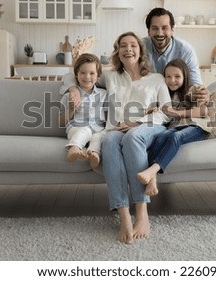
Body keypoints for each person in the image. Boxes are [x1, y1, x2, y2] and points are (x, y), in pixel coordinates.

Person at [60, 32, 171, 244]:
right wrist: (73, 88)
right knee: (108, 141)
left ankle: (141, 213)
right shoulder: (110, 76)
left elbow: (166, 111)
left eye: (133, 45)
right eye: (123, 46)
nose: (128, 49)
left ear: (140, 51)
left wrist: (136, 123)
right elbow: (77, 73)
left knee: (132, 138)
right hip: (115, 131)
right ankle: (123, 217)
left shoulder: (156, 79)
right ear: (117, 52)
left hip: (147, 128)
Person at [137, 58, 209, 196]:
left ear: (185, 76)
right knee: (161, 137)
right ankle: (152, 178)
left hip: (196, 126)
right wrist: (154, 110)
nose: (172, 80)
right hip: (175, 126)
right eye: (168, 76)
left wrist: (178, 113)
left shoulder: (192, 90)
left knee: (176, 137)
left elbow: (204, 112)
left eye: (177, 76)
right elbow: (165, 111)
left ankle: (152, 172)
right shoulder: (166, 93)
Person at [143, 7, 209, 102]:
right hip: (149, 98)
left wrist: (201, 93)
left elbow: (195, 83)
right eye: (155, 28)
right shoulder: (139, 48)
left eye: (165, 28)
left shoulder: (186, 50)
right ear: (148, 31)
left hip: (177, 98)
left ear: (172, 30)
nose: (160, 33)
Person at [59, 53, 107, 169]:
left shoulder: (104, 94)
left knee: (98, 136)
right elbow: (61, 123)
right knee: (86, 130)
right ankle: (74, 147)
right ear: (76, 75)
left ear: (98, 76)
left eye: (92, 73)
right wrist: (70, 109)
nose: (87, 77)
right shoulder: (69, 96)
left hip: (98, 129)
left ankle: (94, 154)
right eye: (82, 73)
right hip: (76, 128)